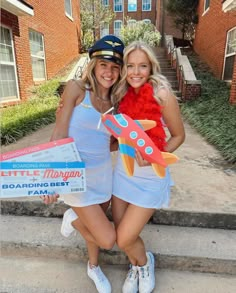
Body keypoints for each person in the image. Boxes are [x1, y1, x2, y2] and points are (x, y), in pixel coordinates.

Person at [41, 35, 124, 293]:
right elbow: (60, 132)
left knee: (95, 227)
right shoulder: (77, 88)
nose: (108, 72)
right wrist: (51, 178)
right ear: (93, 65)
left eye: (114, 67)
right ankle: (71, 217)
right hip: (74, 176)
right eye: (103, 65)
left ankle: (93, 266)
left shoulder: (117, 102)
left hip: (102, 175)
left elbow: (111, 142)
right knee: (108, 239)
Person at [111, 41, 185, 293]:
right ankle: (135, 265)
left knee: (124, 237)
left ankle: (144, 263)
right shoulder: (121, 93)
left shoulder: (161, 93)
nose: (135, 72)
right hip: (124, 171)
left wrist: (156, 155)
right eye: (130, 66)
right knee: (121, 235)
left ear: (151, 67)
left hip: (151, 176)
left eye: (142, 66)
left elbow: (178, 136)